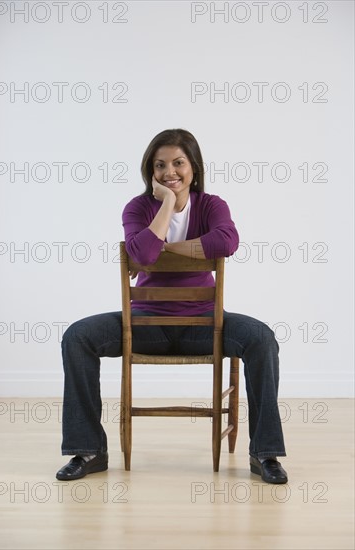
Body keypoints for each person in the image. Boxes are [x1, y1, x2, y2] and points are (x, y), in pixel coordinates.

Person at [56, 129, 288, 484]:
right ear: (150, 170)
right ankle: (88, 450)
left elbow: (227, 241)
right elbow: (145, 254)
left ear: (193, 166)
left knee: (261, 337)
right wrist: (165, 204)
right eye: (160, 165)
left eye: (178, 163)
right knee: (78, 336)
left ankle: (265, 454)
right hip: (146, 325)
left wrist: (169, 248)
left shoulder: (212, 205)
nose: (170, 172)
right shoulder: (138, 207)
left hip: (204, 326)